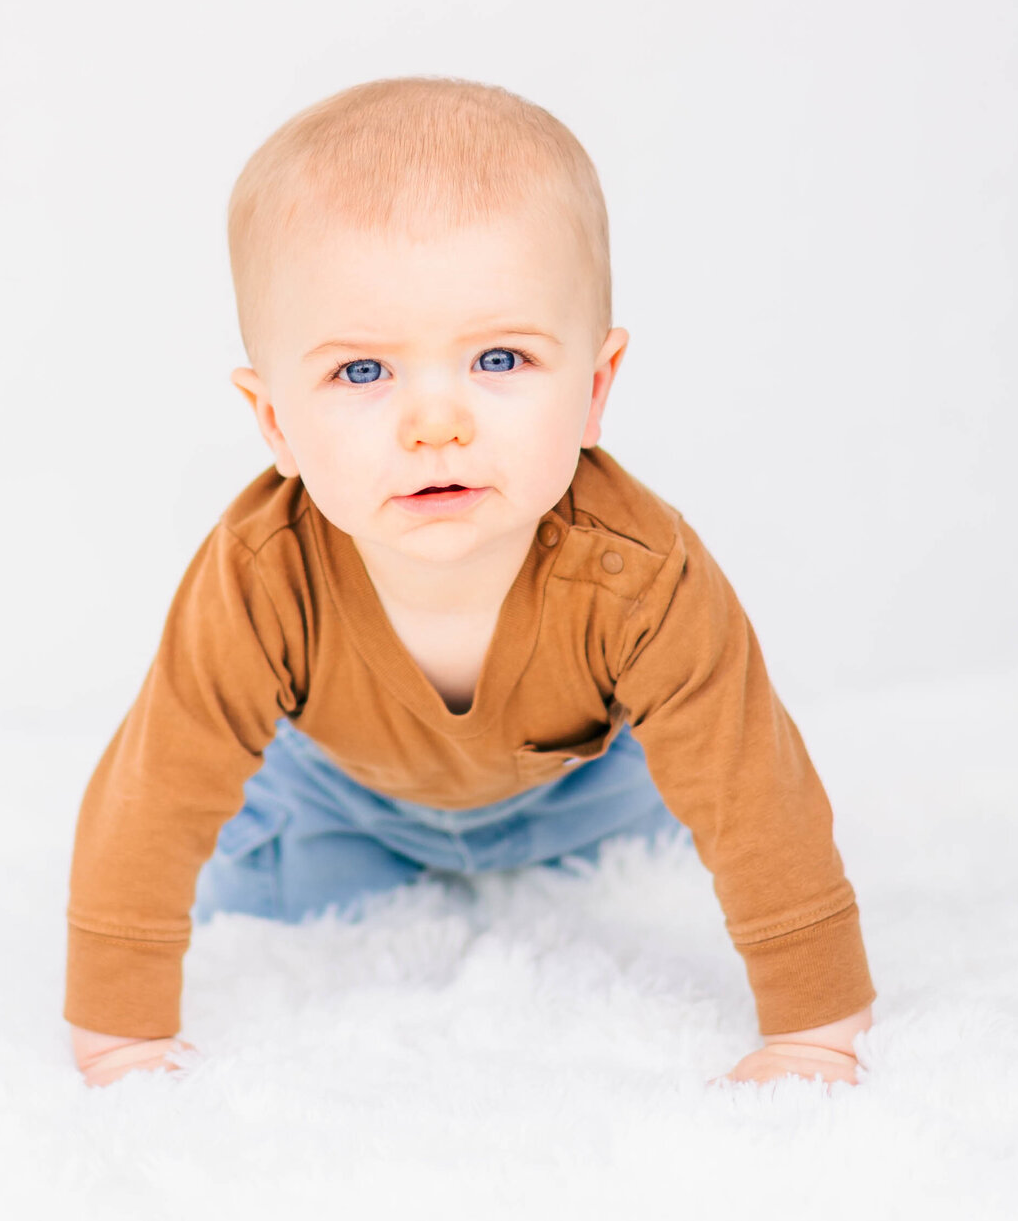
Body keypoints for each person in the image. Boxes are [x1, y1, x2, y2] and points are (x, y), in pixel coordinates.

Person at [66, 76, 875, 1090]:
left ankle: (570, 847)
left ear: (594, 387)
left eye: (499, 357)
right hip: (341, 797)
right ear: (273, 418)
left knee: (674, 823)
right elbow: (156, 788)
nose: (436, 422)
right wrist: (119, 1029)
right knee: (268, 887)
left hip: (587, 788)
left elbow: (755, 790)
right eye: (362, 372)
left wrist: (815, 1028)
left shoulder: (640, 575)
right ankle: (364, 864)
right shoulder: (259, 575)